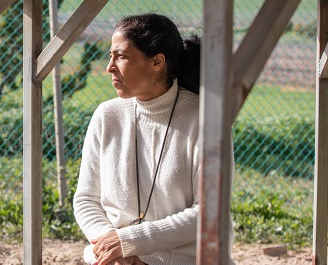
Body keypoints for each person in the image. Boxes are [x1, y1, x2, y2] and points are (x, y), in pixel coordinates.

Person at [73, 13, 234, 265]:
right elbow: (86, 199)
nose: (110, 66)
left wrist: (129, 241)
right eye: (110, 55)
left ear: (157, 62)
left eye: (121, 56)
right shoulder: (107, 115)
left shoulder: (206, 120)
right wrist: (112, 247)